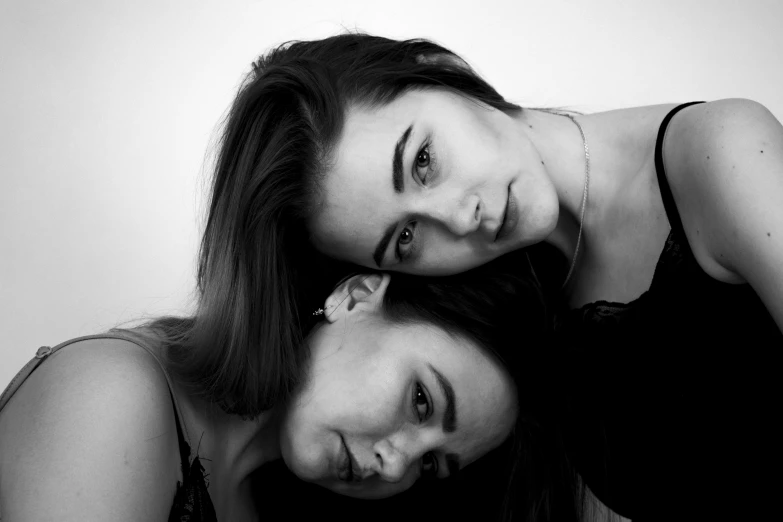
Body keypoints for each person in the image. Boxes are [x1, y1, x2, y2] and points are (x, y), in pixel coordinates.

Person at [222, 32, 782, 520]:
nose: (459, 217)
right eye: (407, 238)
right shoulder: (507, 333)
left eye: (423, 161)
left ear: (441, 73)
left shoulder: (720, 152)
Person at [1, 248, 578, 522]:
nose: (398, 466)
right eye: (421, 401)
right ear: (353, 297)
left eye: (432, 467)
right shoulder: (111, 398)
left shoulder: (261, 503)